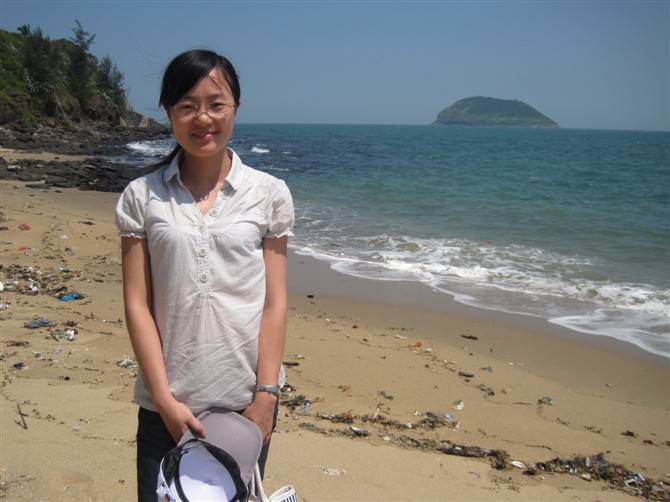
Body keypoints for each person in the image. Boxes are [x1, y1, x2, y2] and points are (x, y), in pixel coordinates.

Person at [115, 49, 294, 501]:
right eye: (187, 106)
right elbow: (137, 303)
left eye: (216, 104)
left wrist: (266, 397)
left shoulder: (269, 193)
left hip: (244, 406)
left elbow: (275, 301)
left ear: (236, 108)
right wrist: (163, 400)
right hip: (165, 405)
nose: (203, 118)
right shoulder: (142, 195)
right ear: (169, 112)